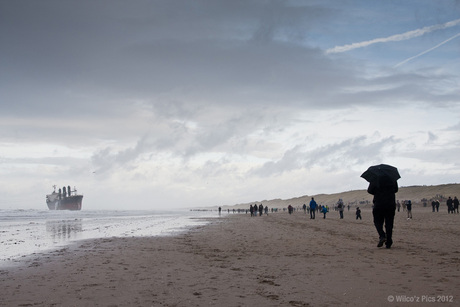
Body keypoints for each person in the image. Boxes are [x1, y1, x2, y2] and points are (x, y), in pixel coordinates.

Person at [367, 175, 398, 249]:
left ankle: (382, 235)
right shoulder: (392, 178)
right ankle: (389, 242)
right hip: (390, 203)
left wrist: (377, 191)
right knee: (389, 223)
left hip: (379, 203)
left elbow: (370, 190)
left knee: (377, 222)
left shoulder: (375, 178)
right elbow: (396, 190)